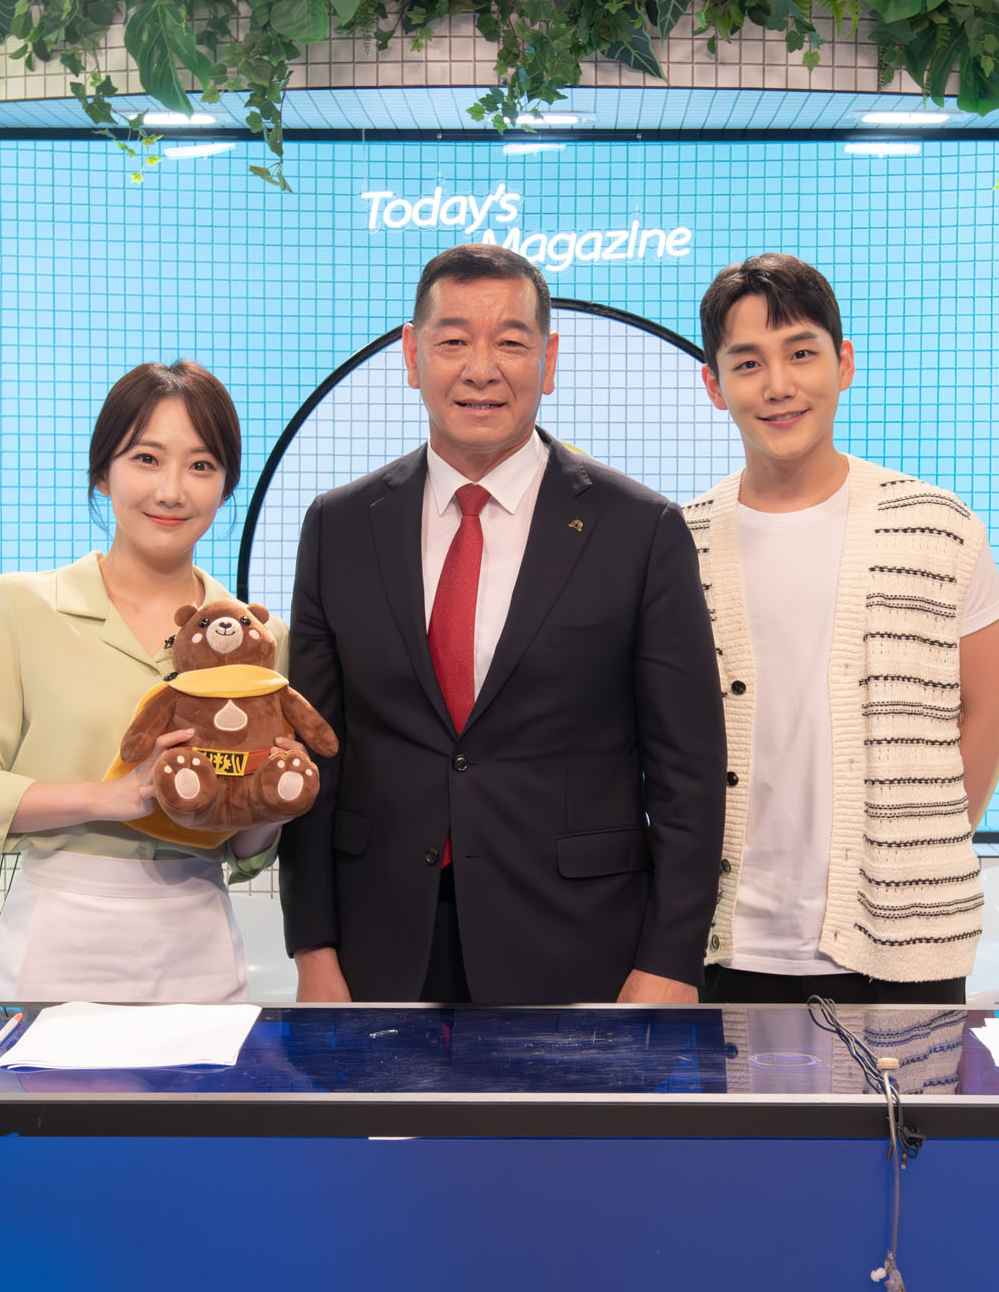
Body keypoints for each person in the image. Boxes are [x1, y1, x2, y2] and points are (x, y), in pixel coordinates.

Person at [281, 243, 725, 1004]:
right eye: (453, 341)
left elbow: (688, 770)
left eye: (511, 343)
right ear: (411, 355)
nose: (481, 369)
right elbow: (313, 756)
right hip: (378, 945)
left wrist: (671, 961)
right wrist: (312, 948)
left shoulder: (640, 529)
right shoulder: (340, 526)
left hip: (580, 943)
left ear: (548, 361)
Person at [0, 361, 324, 1002]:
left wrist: (271, 800)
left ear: (225, 487)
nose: (171, 491)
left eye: (201, 465)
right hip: (58, 936)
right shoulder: (25, 606)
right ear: (102, 473)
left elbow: (246, 852)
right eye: (146, 459)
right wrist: (110, 796)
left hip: (198, 943)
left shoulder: (258, 639)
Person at [683, 254, 999, 1004]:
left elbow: (996, 709)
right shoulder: (683, 541)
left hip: (907, 943)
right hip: (726, 940)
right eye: (748, 363)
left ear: (843, 365)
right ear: (714, 385)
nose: (778, 385)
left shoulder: (939, 525)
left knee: (911, 1092)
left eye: (801, 353)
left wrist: (918, 852)